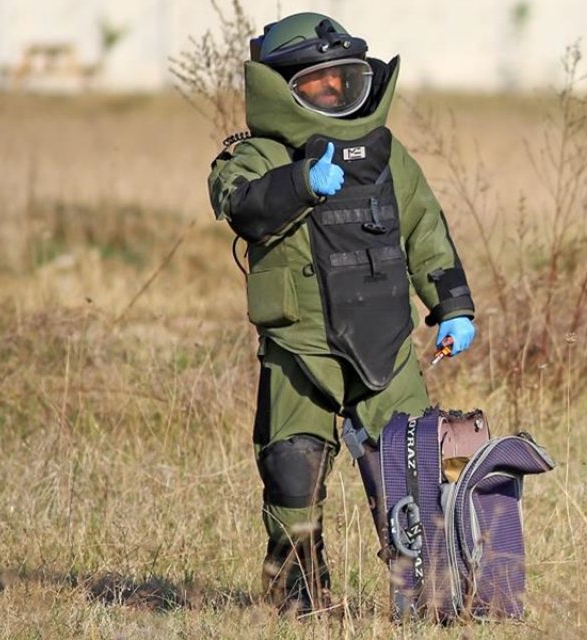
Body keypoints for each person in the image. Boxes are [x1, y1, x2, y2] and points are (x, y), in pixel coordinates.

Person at [206, 12, 477, 617]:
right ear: (282, 88)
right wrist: (300, 181)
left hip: (386, 344)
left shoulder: (387, 155)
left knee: (412, 464)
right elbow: (240, 205)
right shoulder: (257, 155)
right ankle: (297, 596)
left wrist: (453, 307)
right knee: (290, 470)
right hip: (299, 349)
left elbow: (427, 233)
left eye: (345, 80)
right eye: (318, 83)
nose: (334, 92)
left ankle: (432, 596)